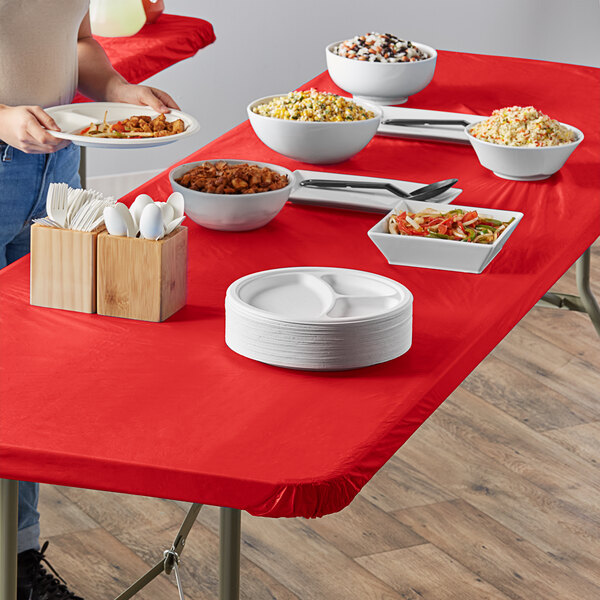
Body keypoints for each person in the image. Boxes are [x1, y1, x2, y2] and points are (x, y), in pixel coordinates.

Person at [0, 2, 179, 598]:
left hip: (55, 160)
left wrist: (117, 89)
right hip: (7, 146)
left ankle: (16, 559)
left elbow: (76, 40)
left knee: (26, 371)